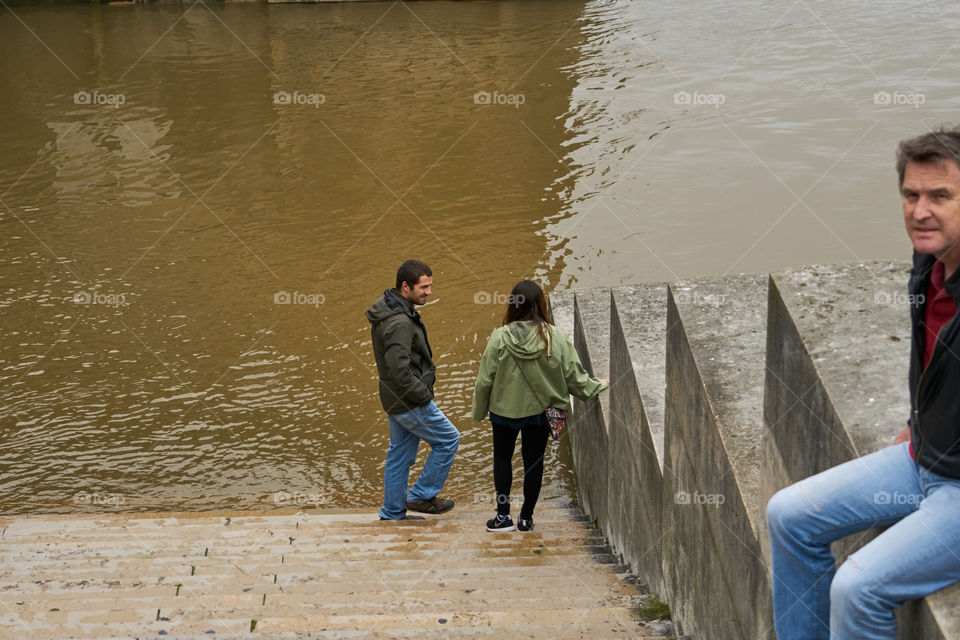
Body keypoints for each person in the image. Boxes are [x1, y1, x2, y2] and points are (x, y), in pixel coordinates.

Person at [766, 126, 960, 639]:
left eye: (941, 196)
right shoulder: (932, 261)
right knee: (789, 516)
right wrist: (917, 421)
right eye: (911, 195)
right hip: (926, 458)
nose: (921, 211)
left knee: (858, 589)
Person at [472, 280, 608, 532]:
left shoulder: (499, 337)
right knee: (534, 463)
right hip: (540, 413)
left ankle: (503, 517)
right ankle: (526, 519)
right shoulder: (555, 337)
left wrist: (479, 411)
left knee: (502, 459)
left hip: (503, 412)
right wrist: (596, 385)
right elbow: (574, 377)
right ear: (541, 305)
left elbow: (484, 381)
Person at [366, 260, 460, 520]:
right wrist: (424, 396)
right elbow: (400, 372)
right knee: (448, 440)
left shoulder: (392, 308)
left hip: (395, 400)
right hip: (410, 401)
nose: (429, 291)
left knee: (399, 456)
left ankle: (393, 513)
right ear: (405, 287)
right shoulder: (399, 322)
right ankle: (420, 496)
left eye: (430, 286)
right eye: (424, 286)